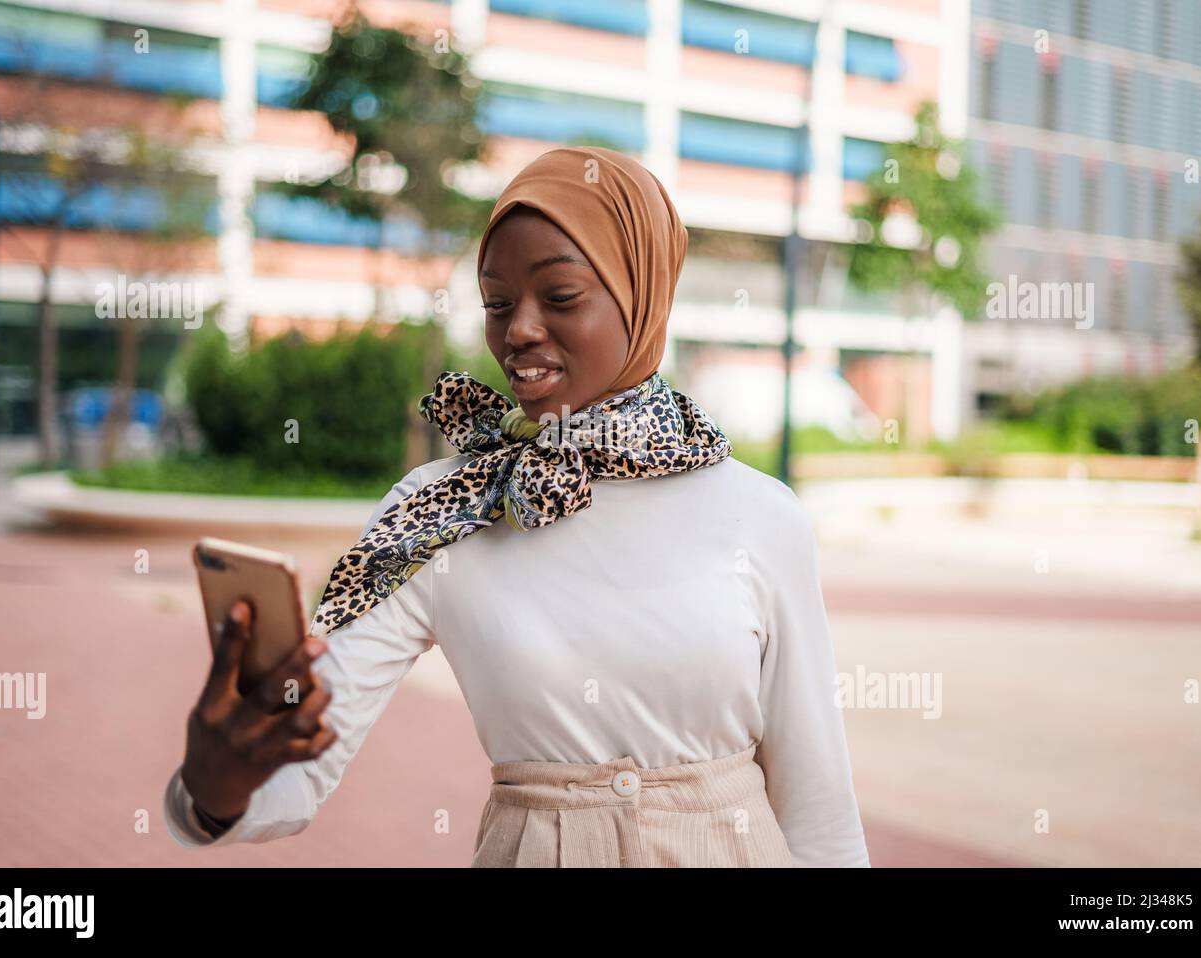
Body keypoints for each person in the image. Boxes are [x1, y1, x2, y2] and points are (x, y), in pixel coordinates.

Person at [164, 146, 871, 867]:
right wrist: (216, 788)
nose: (519, 330)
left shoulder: (762, 515)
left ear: (643, 293)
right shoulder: (441, 510)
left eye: (559, 297)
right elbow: (300, 765)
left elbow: (819, 811)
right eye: (497, 304)